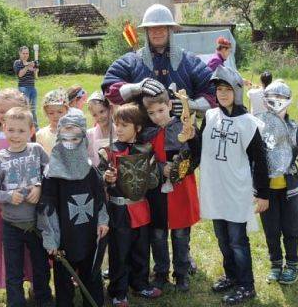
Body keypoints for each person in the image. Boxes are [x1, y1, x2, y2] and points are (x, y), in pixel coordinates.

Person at [199, 66, 269, 305]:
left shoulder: (248, 123)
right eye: (219, 89)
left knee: (238, 241)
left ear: (237, 91)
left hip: (237, 189)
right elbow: (199, 147)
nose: (223, 94)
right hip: (214, 187)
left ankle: (246, 285)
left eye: (228, 89)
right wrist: (188, 137)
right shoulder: (210, 117)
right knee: (221, 237)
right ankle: (231, 275)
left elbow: (260, 161)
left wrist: (263, 194)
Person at [38, 114, 109, 307]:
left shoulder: (91, 170)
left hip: (88, 235)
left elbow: (100, 199)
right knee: (63, 282)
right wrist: (51, 238)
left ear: (84, 140)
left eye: (75, 138)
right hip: (64, 238)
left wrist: (102, 220)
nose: (70, 143)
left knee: (91, 276)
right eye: (65, 138)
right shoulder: (52, 174)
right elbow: (47, 208)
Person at [0, 107, 52, 307]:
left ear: (31, 130)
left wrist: (39, 187)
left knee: (41, 266)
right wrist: (6, 196)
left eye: (21, 131)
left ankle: (44, 299)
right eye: (11, 130)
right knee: (13, 270)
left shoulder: (37, 151)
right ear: (4, 128)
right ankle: (15, 302)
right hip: (11, 226)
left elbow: (50, 175)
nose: (16, 135)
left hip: (37, 224)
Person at [102, 4, 215, 116]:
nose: (157, 32)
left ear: (169, 29)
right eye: (152, 28)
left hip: (183, 130)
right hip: (144, 131)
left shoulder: (190, 62)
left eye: (162, 27)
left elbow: (215, 92)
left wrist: (191, 106)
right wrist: (136, 88)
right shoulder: (131, 62)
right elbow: (109, 88)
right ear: (146, 31)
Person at [100, 103, 162, 306]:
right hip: (119, 210)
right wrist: (106, 177)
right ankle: (118, 291)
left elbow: (153, 179)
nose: (118, 129)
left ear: (137, 127)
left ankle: (140, 284)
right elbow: (99, 178)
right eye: (116, 124)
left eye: (124, 125)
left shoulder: (146, 149)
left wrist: (154, 174)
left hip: (141, 207)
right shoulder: (108, 152)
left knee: (141, 249)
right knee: (120, 251)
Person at [140, 91, 200, 292]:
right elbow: (143, 160)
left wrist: (178, 169)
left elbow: (196, 155)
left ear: (169, 106)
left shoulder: (184, 127)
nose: (157, 116)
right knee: (157, 233)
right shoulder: (148, 133)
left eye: (160, 110)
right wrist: (160, 167)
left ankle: (181, 273)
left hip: (180, 189)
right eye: (151, 113)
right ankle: (161, 272)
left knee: (181, 234)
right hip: (156, 190)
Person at [257, 80, 298, 285]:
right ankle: (276, 264)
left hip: (289, 189)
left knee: (291, 229)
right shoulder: (258, 125)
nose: (276, 102)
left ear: (288, 102)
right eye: (273, 99)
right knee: (271, 229)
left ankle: (292, 264)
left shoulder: (294, 128)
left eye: (281, 99)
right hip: (267, 190)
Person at [0, 89, 33, 289]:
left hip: (26, 200)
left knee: (30, 242)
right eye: (0, 110)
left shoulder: (27, 133)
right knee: (6, 244)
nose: (4, 114)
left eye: (9, 110)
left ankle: (34, 280)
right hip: (0, 202)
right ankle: (12, 284)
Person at [36, 89, 71, 156]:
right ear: (46, 113)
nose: (56, 116)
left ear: (67, 111)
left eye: (60, 112)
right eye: (51, 113)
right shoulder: (41, 135)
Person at [87, 91, 115, 167]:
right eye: (95, 115)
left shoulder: (118, 131)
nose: (99, 117)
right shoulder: (89, 135)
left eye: (102, 111)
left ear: (110, 109)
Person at [14, 46, 39, 127]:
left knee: (33, 110)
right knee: (25, 110)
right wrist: (28, 67)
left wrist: (35, 69)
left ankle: (35, 128)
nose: (25, 55)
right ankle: (24, 126)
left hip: (32, 88)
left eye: (27, 53)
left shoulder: (31, 63)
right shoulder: (17, 63)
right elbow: (20, 74)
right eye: (23, 53)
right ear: (20, 54)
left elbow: (36, 77)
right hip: (23, 89)